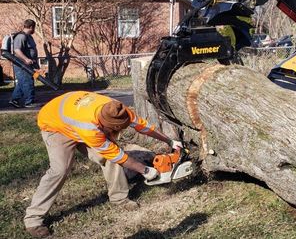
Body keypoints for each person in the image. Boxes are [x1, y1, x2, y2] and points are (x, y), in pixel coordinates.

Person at [24, 91, 183, 238]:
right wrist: (145, 170)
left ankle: (119, 199)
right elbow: (117, 155)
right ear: (104, 125)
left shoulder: (118, 110)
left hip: (76, 117)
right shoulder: (90, 128)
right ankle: (33, 219)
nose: (118, 132)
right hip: (56, 126)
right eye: (115, 130)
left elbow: (144, 126)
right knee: (60, 170)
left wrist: (170, 141)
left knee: (109, 159)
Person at [9, 19, 39, 108]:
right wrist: (26, 59)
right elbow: (17, 50)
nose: (34, 30)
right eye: (34, 28)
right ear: (31, 27)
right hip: (21, 65)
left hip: (29, 64)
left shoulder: (29, 36)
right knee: (27, 82)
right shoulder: (21, 37)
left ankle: (14, 100)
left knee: (22, 82)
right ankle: (29, 102)